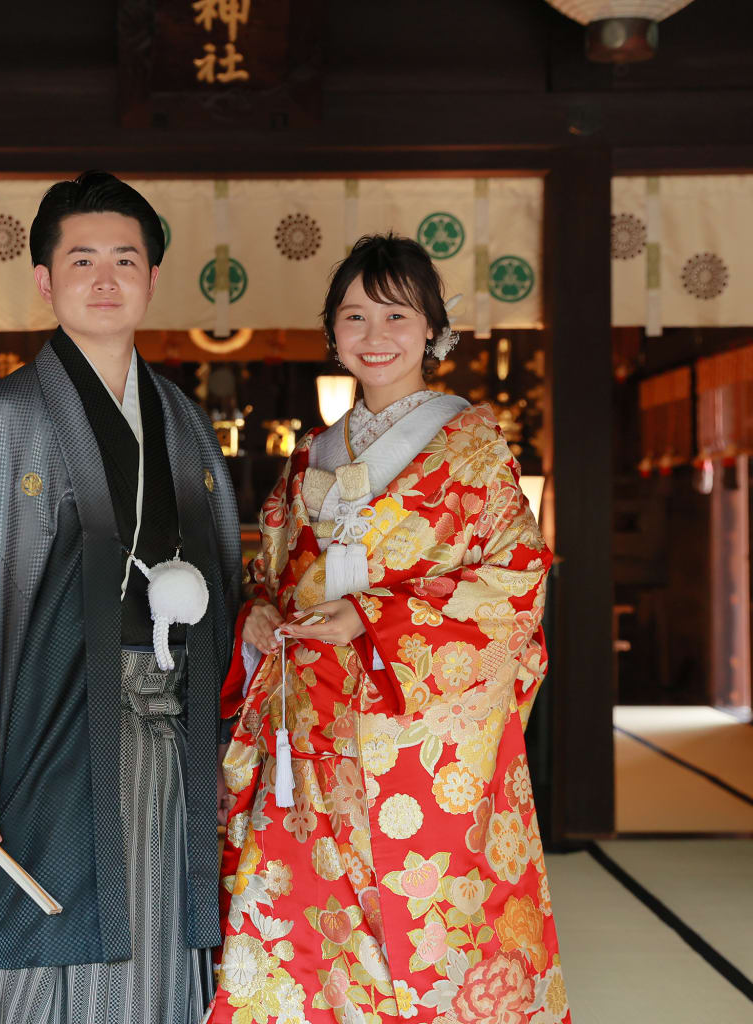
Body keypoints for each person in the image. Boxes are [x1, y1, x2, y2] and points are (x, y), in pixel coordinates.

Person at [0, 171, 241, 1024]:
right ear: (45, 281)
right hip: (55, 728)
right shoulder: (6, 419)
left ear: (150, 276)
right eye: (82, 260)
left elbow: (224, 585)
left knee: (171, 928)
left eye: (125, 259)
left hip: (175, 733)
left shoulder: (182, 421)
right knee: (50, 920)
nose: (105, 279)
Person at [210, 234, 571, 1023]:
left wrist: (376, 618)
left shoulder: (471, 445)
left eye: (396, 315)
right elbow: (270, 574)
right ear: (332, 333)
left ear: (434, 329)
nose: (375, 335)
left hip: (421, 735)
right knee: (311, 926)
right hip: (311, 729)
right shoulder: (310, 456)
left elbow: (514, 580)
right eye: (354, 315)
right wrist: (264, 613)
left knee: (428, 927)